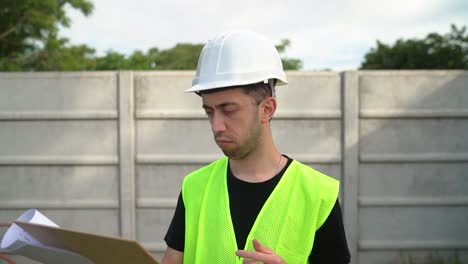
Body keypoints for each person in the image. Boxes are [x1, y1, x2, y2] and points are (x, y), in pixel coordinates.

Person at [161, 30, 350, 264]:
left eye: (229, 110)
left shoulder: (318, 194)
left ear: (267, 109)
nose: (216, 125)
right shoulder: (195, 187)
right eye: (209, 111)